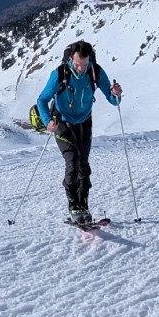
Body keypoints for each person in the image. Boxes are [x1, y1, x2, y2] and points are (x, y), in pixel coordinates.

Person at [35, 40, 123, 225]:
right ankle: (74, 206)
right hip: (62, 121)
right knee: (73, 161)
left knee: (83, 165)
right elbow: (42, 100)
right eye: (77, 64)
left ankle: (83, 206)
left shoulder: (95, 71)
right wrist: (47, 121)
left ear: (89, 59)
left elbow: (113, 100)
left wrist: (116, 93)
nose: (81, 68)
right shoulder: (60, 73)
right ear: (70, 59)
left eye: (84, 64)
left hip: (84, 121)